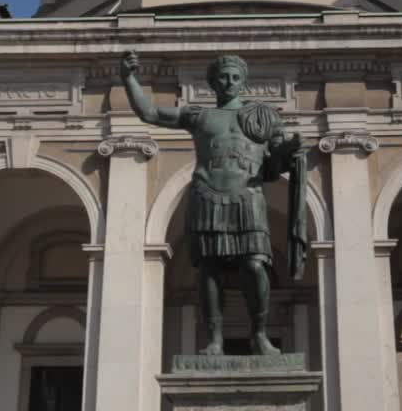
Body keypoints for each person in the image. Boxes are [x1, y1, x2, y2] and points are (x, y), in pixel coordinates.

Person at [120, 50, 300, 355]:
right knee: (209, 269)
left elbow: (278, 158)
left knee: (255, 265)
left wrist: (291, 151)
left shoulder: (263, 117)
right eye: (223, 77)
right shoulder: (199, 116)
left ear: (243, 82)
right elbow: (149, 113)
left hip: (247, 196)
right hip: (208, 195)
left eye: (235, 77)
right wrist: (128, 78)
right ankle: (215, 339)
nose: (229, 82)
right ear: (213, 83)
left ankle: (259, 334)